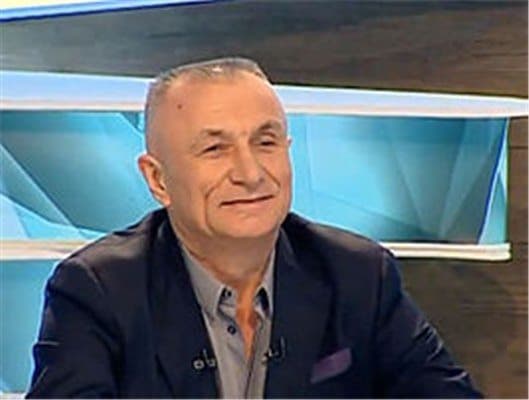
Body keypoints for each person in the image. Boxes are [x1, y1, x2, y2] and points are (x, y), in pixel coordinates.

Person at [27, 57, 482, 398]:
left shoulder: (358, 274)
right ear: (158, 179)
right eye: (215, 149)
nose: (250, 173)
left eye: (265, 143)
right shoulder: (98, 290)